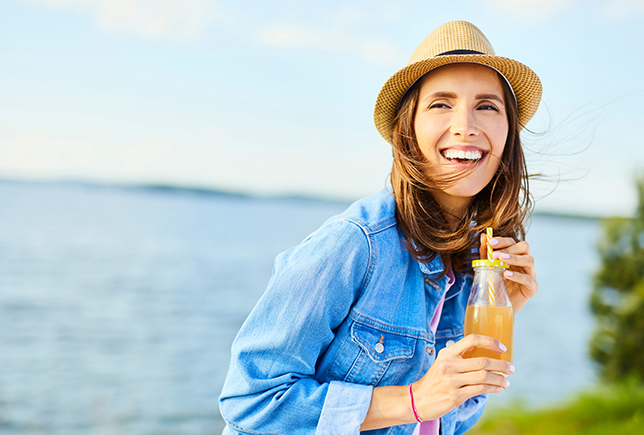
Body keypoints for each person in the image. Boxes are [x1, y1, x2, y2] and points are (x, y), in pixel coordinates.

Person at [219, 20, 540, 435]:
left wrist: (500, 311)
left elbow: (447, 419)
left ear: (508, 131)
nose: (466, 124)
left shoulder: (474, 262)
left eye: (487, 106)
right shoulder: (355, 244)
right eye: (441, 104)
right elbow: (251, 401)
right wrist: (414, 399)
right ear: (408, 130)